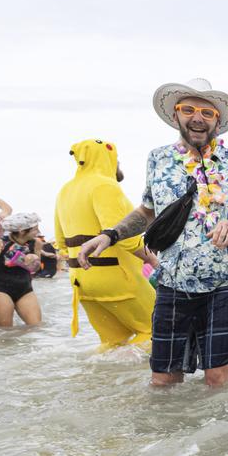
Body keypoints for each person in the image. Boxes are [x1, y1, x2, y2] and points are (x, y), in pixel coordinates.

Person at [76, 78, 228, 385]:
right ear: (175, 116)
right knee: (162, 380)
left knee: (218, 378)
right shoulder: (158, 159)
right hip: (171, 281)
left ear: (218, 122)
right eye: (188, 109)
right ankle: (169, 434)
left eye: (207, 113)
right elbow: (146, 211)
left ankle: (225, 434)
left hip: (224, 282)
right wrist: (109, 236)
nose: (197, 117)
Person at [55, 139, 157, 348]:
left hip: (81, 280)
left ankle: (105, 379)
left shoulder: (65, 190)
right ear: (107, 155)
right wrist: (156, 263)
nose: (118, 164)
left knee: (113, 341)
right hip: (117, 277)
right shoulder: (104, 185)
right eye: (116, 159)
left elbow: (61, 242)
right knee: (155, 330)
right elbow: (123, 236)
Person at [0, 213, 43, 327]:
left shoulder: (36, 243)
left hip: (25, 289)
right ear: (22, 231)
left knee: (36, 327)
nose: (38, 231)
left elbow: (36, 270)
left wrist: (35, 261)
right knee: (5, 331)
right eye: (35, 229)